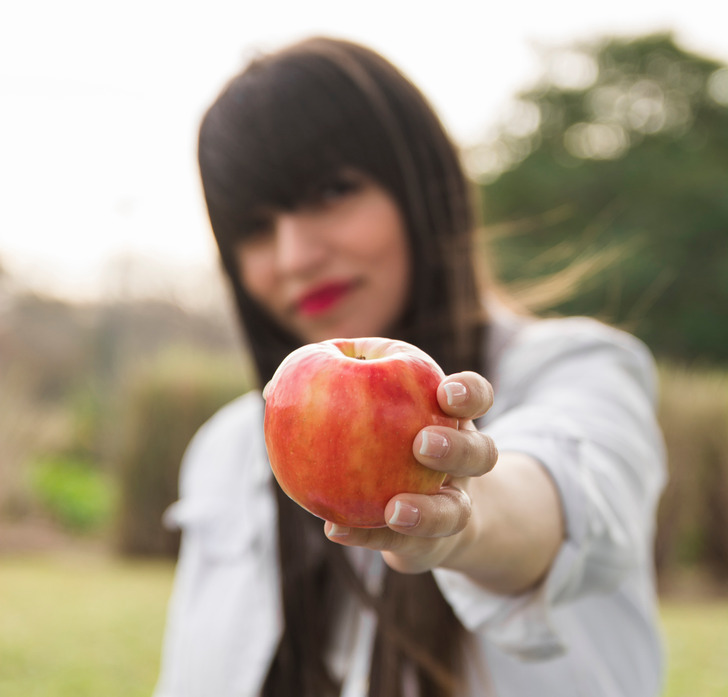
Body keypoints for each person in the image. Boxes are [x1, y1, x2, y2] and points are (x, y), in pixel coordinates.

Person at [152, 37, 667, 697]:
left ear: (421, 183)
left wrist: (463, 515)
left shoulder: (582, 368)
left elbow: (561, 500)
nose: (294, 255)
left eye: (331, 192)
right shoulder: (228, 449)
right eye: (254, 228)